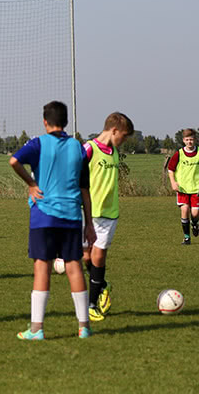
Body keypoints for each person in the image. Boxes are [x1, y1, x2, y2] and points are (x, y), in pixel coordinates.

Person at [9, 101, 96, 340]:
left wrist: (31, 184)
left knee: (42, 266)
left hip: (44, 215)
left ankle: (36, 329)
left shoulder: (38, 143)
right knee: (74, 266)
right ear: (66, 121)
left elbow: (14, 161)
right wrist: (89, 223)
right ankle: (84, 326)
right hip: (71, 214)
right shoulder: (78, 147)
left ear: (45, 121)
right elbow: (85, 190)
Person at [82, 112, 133, 322]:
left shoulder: (114, 152)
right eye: (123, 136)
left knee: (99, 256)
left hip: (109, 214)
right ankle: (101, 284)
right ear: (113, 130)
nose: (124, 141)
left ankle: (92, 305)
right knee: (85, 256)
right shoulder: (88, 149)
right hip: (86, 211)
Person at [168, 128, 199, 245]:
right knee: (184, 210)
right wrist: (173, 182)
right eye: (187, 140)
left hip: (196, 188)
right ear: (183, 140)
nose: (189, 142)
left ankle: (195, 224)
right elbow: (171, 169)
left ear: (195, 140)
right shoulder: (179, 154)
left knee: (195, 214)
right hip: (183, 188)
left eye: (191, 139)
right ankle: (187, 238)